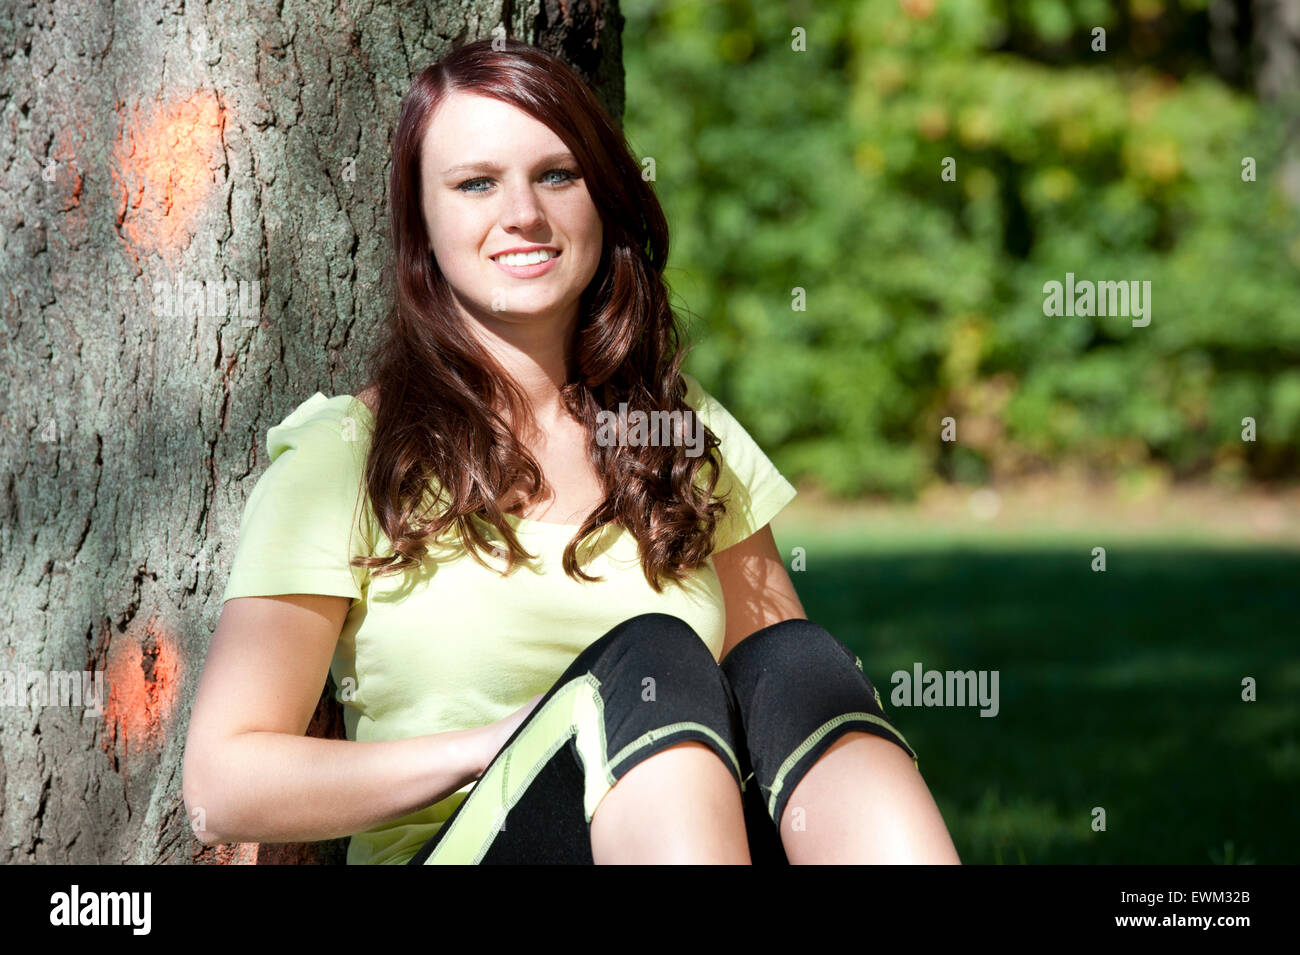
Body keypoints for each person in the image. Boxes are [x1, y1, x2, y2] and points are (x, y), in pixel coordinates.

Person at [182, 38, 961, 865]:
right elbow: (223, 785)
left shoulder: (680, 432)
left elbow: (778, 712)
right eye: (476, 183)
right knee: (650, 656)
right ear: (423, 224)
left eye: (556, 175)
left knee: (797, 658)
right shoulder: (345, 456)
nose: (523, 211)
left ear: (603, 201)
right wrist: (497, 743)